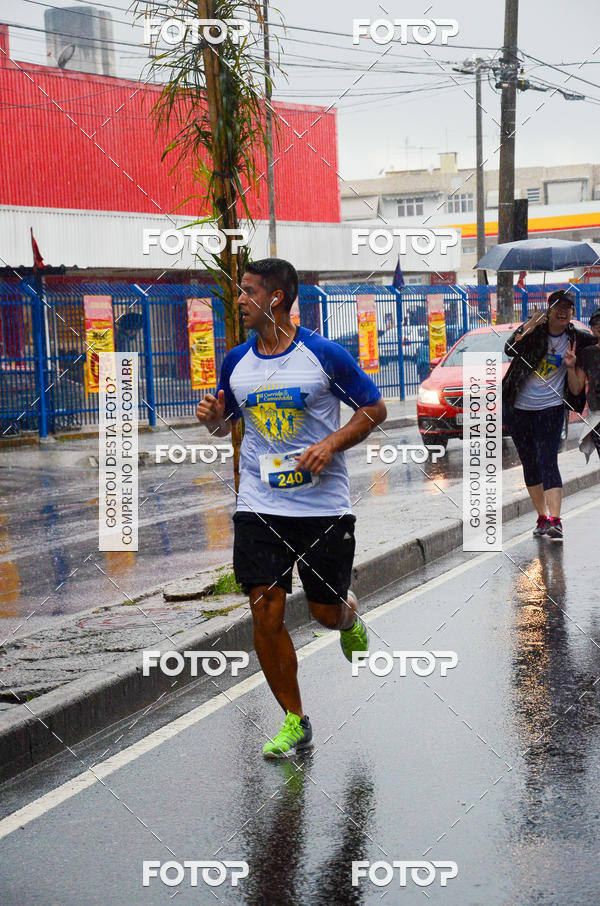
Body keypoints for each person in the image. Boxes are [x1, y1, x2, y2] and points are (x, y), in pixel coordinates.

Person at [196, 258, 387, 757]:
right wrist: (216, 421)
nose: (239, 299)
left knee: (324, 613)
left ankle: (349, 618)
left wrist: (331, 444)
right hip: (260, 505)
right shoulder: (237, 361)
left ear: (275, 298)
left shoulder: (323, 355)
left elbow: (374, 408)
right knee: (266, 611)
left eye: (249, 290)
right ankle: (294, 719)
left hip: (322, 506)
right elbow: (227, 427)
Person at [502, 289, 596, 540]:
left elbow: (596, 339)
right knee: (529, 461)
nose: (563, 311)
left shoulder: (577, 338)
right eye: (558, 307)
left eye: (568, 308)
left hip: (551, 408)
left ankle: (555, 520)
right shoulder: (534, 333)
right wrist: (531, 323)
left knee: (548, 460)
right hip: (518, 408)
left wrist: (572, 364)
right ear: (549, 310)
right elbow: (510, 347)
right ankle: (542, 517)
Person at [564, 306, 600, 462]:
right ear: (592, 329)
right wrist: (571, 367)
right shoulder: (588, 354)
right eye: (595, 324)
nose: (598, 326)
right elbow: (576, 388)